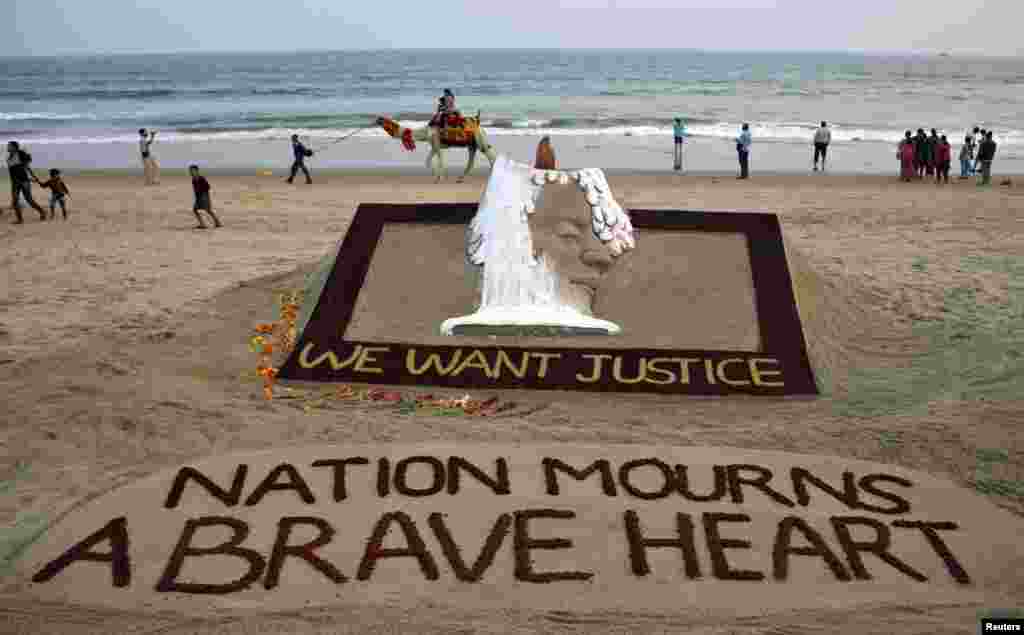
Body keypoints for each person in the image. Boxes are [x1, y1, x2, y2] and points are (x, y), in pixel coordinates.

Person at [6, 141, 46, 224]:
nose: (7, 147)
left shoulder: (20, 154)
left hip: (24, 182)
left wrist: (34, 178)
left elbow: (27, 168)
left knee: (29, 200)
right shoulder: (9, 157)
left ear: (14, 147)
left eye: (9, 146)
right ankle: (20, 219)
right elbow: (12, 172)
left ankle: (42, 212)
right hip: (15, 182)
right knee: (15, 201)